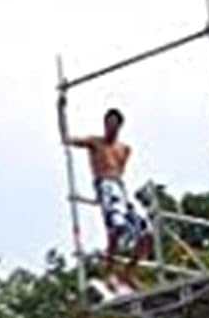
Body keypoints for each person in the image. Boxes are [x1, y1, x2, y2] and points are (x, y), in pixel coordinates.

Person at [64, 107, 151, 278]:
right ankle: (110, 270)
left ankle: (129, 271)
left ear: (119, 126)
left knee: (146, 232)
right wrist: (61, 110)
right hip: (105, 185)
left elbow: (120, 171)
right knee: (116, 227)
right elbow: (66, 139)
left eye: (114, 124)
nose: (110, 127)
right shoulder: (95, 142)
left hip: (120, 187)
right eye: (108, 124)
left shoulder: (125, 149)